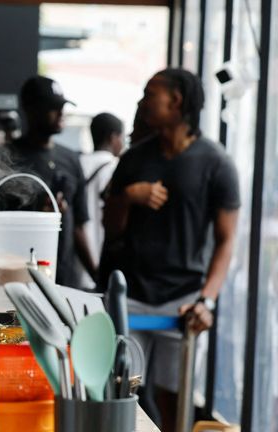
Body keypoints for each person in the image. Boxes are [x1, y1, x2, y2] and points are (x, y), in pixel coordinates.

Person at [102, 68, 239, 430]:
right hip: (130, 295)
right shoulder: (134, 159)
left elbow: (227, 240)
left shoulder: (217, 163)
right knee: (117, 394)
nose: (142, 102)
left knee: (173, 401)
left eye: (150, 94)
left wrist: (206, 300)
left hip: (182, 299)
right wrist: (130, 197)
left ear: (176, 101)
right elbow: (111, 228)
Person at [0, 75, 96, 288]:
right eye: (53, 107)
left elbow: (79, 225)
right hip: (17, 280)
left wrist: (97, 275)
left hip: (64, 279)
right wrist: (37, 214)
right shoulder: (6, 157)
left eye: (62, 106)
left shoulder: (71, 159)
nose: (61, 113)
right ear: (30, 109)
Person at [76, 113, 124, 289]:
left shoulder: (76, 163)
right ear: (113, 137)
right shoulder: (115, 168)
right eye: (122, 137)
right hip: (101, 265)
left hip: (73, 267)